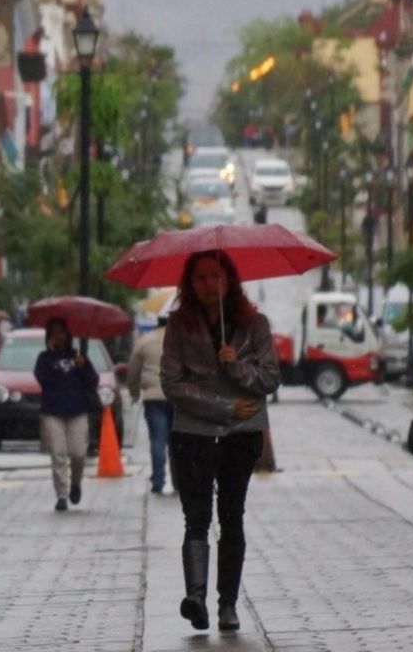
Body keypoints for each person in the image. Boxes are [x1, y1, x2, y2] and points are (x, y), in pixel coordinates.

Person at [160, 250, 280, 633]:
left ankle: (227, 603)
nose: (208, 284)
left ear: (229, 279)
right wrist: (225, 407)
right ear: (189, 284)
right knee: (195, 518)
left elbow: (270, 379)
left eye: (215, 275)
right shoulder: (179, 325)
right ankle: (195, 597)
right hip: (193, 433)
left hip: (240, 438)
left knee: (232, 516)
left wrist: (236, 365)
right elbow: (172, 383)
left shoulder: (254, 324)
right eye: (200, 278)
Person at [33, 317, 98, 512]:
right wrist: (52, 356)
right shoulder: (44, 358)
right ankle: (62, 495)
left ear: (68, 334)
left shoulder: (78, 355)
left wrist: (83, 366)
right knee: (58, 454)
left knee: (79, 453)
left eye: (61, 331)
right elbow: (42, 379)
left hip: (77, 410)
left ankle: (75, 483)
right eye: (54, 332)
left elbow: (93, 380)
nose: (58, 336)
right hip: (53, 412)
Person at [128, 315, 174, 494]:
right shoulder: (180, 340)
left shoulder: (144, 341)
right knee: (177, 441)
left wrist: (134, 392)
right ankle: (179, 480)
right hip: (177, 397)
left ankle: (158, 479)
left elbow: (133, 370)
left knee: (158, 440)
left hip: (153, 397)